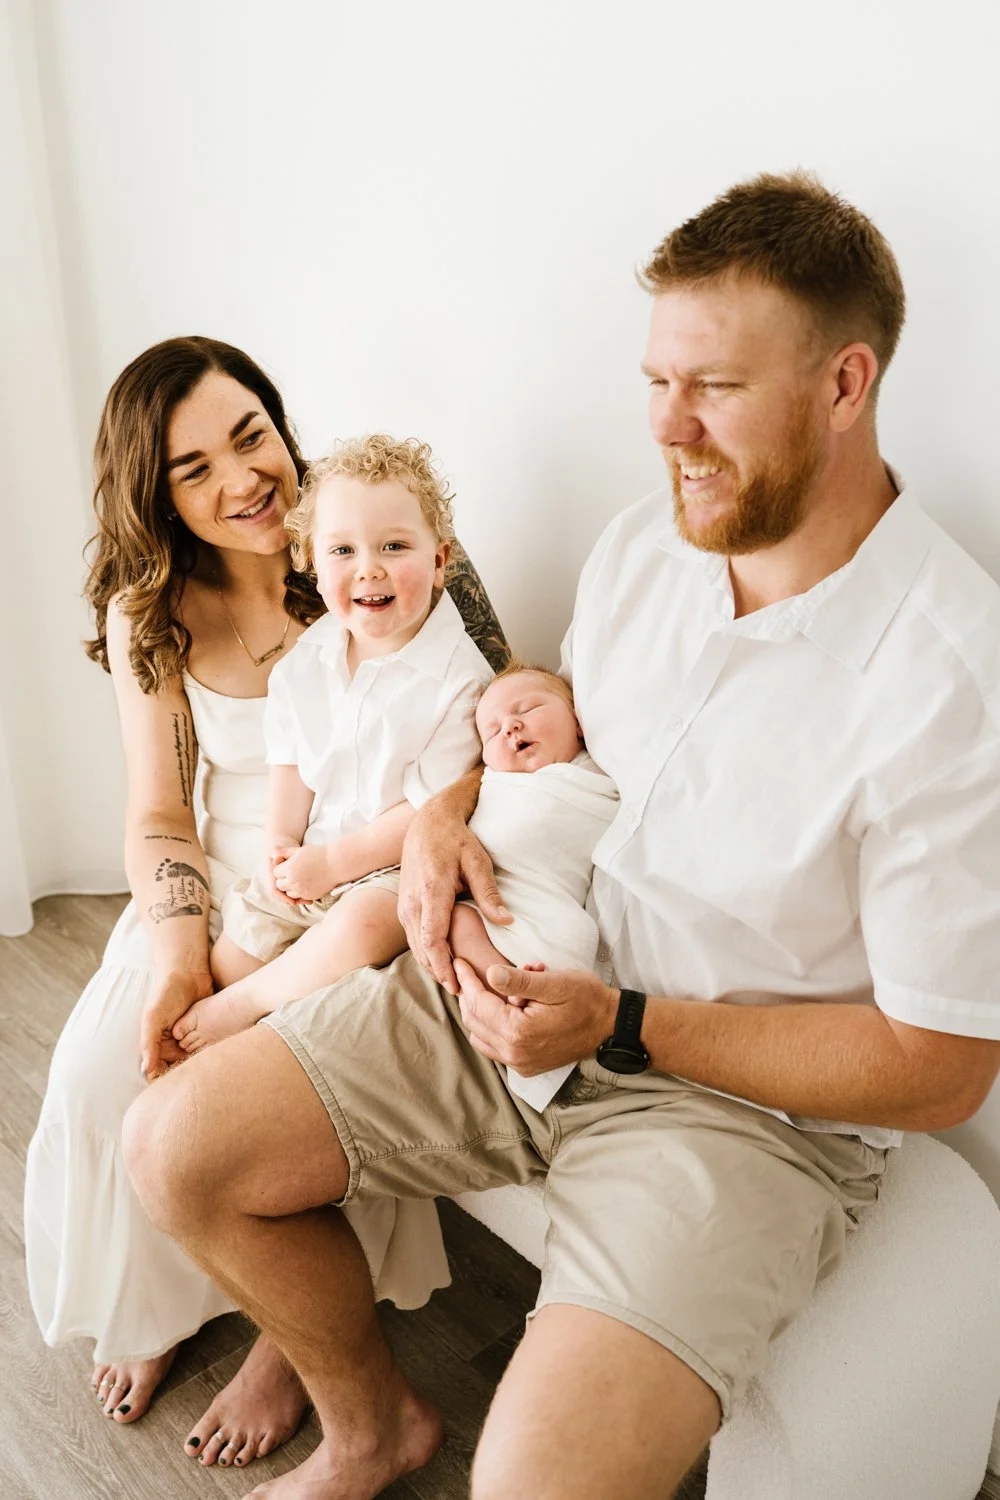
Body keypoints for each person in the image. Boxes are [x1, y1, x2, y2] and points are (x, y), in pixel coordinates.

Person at [122, 173, 1000, 1500]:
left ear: (844, 383)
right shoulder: (648, 546)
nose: (668, 428)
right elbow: (558, 738)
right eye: (655, 381)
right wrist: (442, 824)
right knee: (172, 1148)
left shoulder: (951, 679)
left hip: (735, 1118)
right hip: (518, 980)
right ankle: (369, 1426)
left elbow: (939, 1071)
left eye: (713, 388)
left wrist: (621, 1023)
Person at [22, 336, 509, 1472]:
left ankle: (292, 1342)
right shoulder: (150, 609)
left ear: (281, 428)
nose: (244, 480)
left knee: (300, 1054)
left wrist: (424, 829)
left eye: (252, 438)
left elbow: (503, 720)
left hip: (366, 857)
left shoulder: (371, 537)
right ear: (158, 495)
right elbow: (160, 814)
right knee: (103, 1074)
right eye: (195, 469)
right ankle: (157, 1301)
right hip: (228, 877)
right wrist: (180, 955)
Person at [172, 434, 493, 1053]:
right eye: (343, 550)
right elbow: (290, 762)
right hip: (313, 852)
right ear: (313, 567)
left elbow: (427, 809)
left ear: (440, 561)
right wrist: (281, 842)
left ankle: (251, 1004)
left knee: (365, 924)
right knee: (234, 950)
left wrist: (335, 866)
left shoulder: (460, 681)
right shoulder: (306, 662)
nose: (369, 568)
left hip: (388, 868)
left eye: (394, 546)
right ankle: (242, 1003)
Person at [448, 665, 618, 1108]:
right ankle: (505, 988)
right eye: (492, 731)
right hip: (500, 904)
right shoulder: (496, 785)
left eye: (527, 709)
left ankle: (518, 990)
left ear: (578, 720)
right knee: (460, 921)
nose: (510, 726)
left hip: (553, 913)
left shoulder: (597, 776)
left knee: (467, 921)